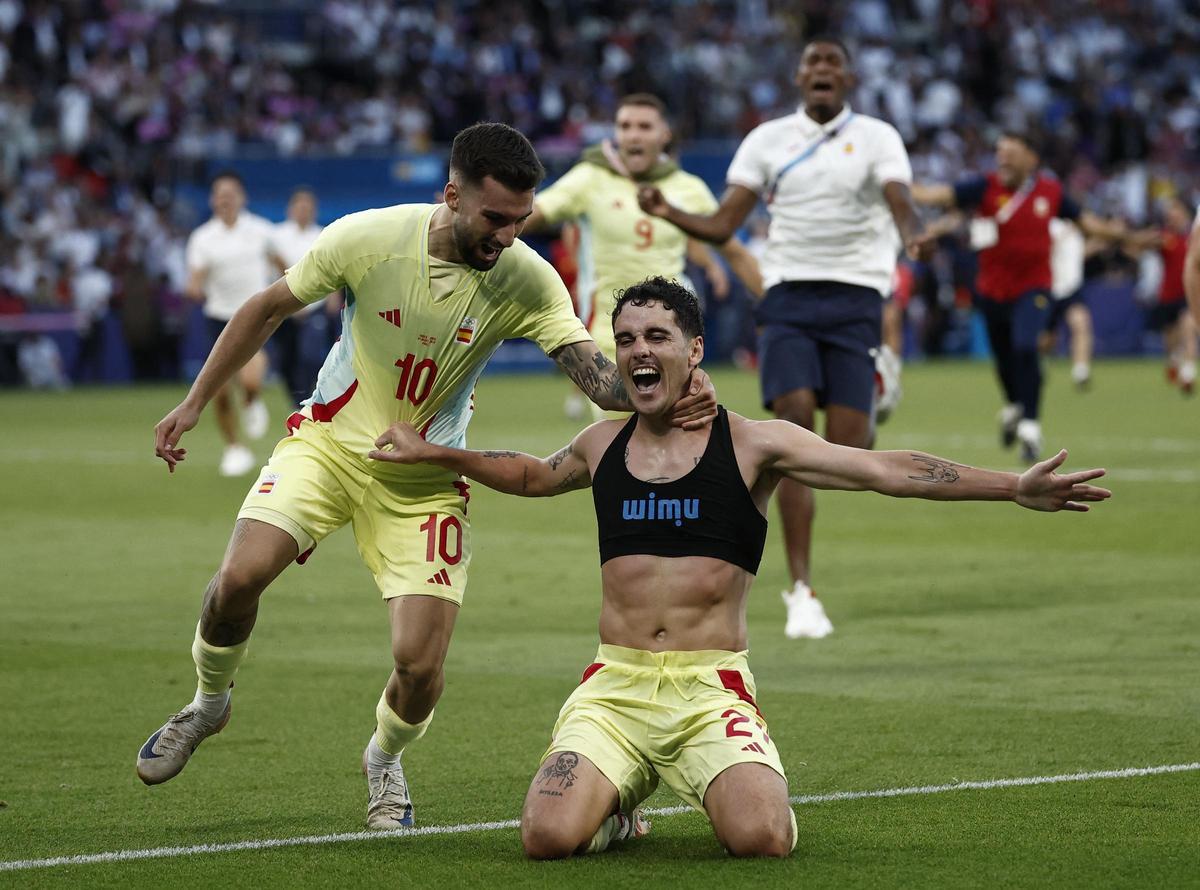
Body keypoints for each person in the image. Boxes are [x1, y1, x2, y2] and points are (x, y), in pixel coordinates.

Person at [369, 277, 1111, 859]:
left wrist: (1013, 487)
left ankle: (689, 781)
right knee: (545, 838)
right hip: (614, 688)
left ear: (695, 350)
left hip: (707, 686)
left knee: (763, 839)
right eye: (625, 339)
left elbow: (884, 467)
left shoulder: (755, 444)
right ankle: (617, 817)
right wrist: (438, 452)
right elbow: (532, 474)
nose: (636, 351)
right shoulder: (603, 444)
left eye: (656, 336)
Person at [136, 124, 717, 830]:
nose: (507, 235)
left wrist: (673, 384)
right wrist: (195, 403)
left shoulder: (528, 279)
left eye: (521, 220)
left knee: (418, 665)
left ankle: (384, 759)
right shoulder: (368, 239)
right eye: (495, 218)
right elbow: (266, 309)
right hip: (327, 446)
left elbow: (600, 382)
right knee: (236, 581)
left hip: (423, 479)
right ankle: (207, 705)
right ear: (452, 195)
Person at [636, 37, 925, 640]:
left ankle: (876, 385)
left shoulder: (877, 137)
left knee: (850, 446)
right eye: (812, 63)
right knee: (794, 428)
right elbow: (721, 224)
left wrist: (913, 233)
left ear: (848, 78)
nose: (822, 70)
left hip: (855, 296)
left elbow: (900, 198)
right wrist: (667, 210)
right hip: (787, 294)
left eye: (832, 63)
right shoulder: (769, 139)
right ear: (799, 78)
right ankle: (801, 590)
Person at [524, 92, 762, 420]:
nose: (633, 134)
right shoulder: (589, 178)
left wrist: (773, 301)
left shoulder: (687, 188)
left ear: (664, 135)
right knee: (620, 453)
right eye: (625, 126)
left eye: (644, 126)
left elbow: (734, 250)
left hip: (674, 342)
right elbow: (530, 214)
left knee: (679, 452)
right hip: (611, 340)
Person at [911, 132, 1125, 462]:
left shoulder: (1051, 192)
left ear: (1031, 159)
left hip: (1034, 288)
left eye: (1011, 153)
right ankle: (1014, 405)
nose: (1003, 159)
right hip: (992, 291)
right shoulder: (983, 186)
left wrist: (1127, 236)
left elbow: (1087, 223)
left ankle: (1030, 427)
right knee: (1005, 359)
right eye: (1000, 153)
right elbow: (936, 195)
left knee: (1027, 346)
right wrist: (897, 185)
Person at [185, 171, 280, 476]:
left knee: (251, 380)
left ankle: (252, 401)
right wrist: (194, 289)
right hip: (218, 317)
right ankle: (234, 448)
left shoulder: (261, 231)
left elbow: (284, 264)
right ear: (213, 200)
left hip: (255, 316)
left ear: (242, 197)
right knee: (220, 391)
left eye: (230, 194)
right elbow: (195, 278)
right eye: (219, 194)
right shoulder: (202, 237)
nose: (224, 200)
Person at [270, 187, 342, 406]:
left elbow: (334, 267)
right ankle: (294, 396)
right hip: (284, 304)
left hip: (314, 304)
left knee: (310, 353)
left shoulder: (323, 234)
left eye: (307, 207)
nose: (303, 211)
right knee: (286, 356)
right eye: (299, 206)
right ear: (290, 209)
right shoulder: (276, 235)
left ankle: (305, 396)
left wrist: (334, 295)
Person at [1123, 198, 1196, 394]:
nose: (1173, 217)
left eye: (1176, 212)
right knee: (1170, 340)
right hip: (1167, 296)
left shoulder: (1193, 236)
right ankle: (1173, 362)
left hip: (1188, 293)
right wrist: (1147, 238)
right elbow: (1132, 247)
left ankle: (1188, 373)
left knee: (1188, 327)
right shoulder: (1165, 237)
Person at [1042, 218, 1094, 390]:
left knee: (1081, 323)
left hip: (1071, 288)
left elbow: (1076, 255)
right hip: (1049, 287)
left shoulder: (1077, 229)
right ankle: (1042, 364)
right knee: (1045, 340)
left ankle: (1081, 371)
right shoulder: (1048, 224)